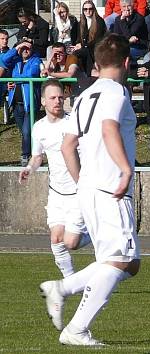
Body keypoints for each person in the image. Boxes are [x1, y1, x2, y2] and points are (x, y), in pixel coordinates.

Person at [40, 33, 141, 346]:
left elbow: (68, 145)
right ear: (126, 62)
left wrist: (83, 180)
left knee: (129, 261)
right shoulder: (116, 91)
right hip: (111, 187)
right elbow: (109, 129)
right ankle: (76, 329)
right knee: (121, 259)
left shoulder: (84, 96)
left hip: (90, 188)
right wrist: (125, 169)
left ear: (96, 64)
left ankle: (63, 288)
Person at [18, 80, 91, 278]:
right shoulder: (39, 127)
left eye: (60, 97)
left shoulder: (73, 123)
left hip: (78, 190)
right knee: (56, 239)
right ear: (43, 101)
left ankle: (96, 233)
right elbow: (37, 157)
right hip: (57, 193)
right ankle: (71, 282)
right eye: (52, 98)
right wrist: (29, 169)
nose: (57, 101)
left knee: (71, 242)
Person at [5, 40, 43, 167]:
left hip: (30, 104)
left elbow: (31, 74)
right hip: (16, 104)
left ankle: (25, 155)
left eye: (28, 48)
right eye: (23, 48)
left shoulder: (36, 60)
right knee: (25, 133)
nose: (26, 50)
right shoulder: (15, 60)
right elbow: (4, 60)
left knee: (27, 132)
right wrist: (17, 48)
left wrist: (14, 80)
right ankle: (36, 153)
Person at [73, 0, 106, 75]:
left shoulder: (99, 21)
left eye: (90, 9)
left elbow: (98, 40)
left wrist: (84, 45)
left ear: (94, 9)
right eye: (85, 9)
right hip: (85, 49)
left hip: (95, 49)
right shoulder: (81, 22)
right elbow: (78, 38)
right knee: (75, 53)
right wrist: (78, 43)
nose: (88, 11)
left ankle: (88, 74)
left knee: (84, 52)